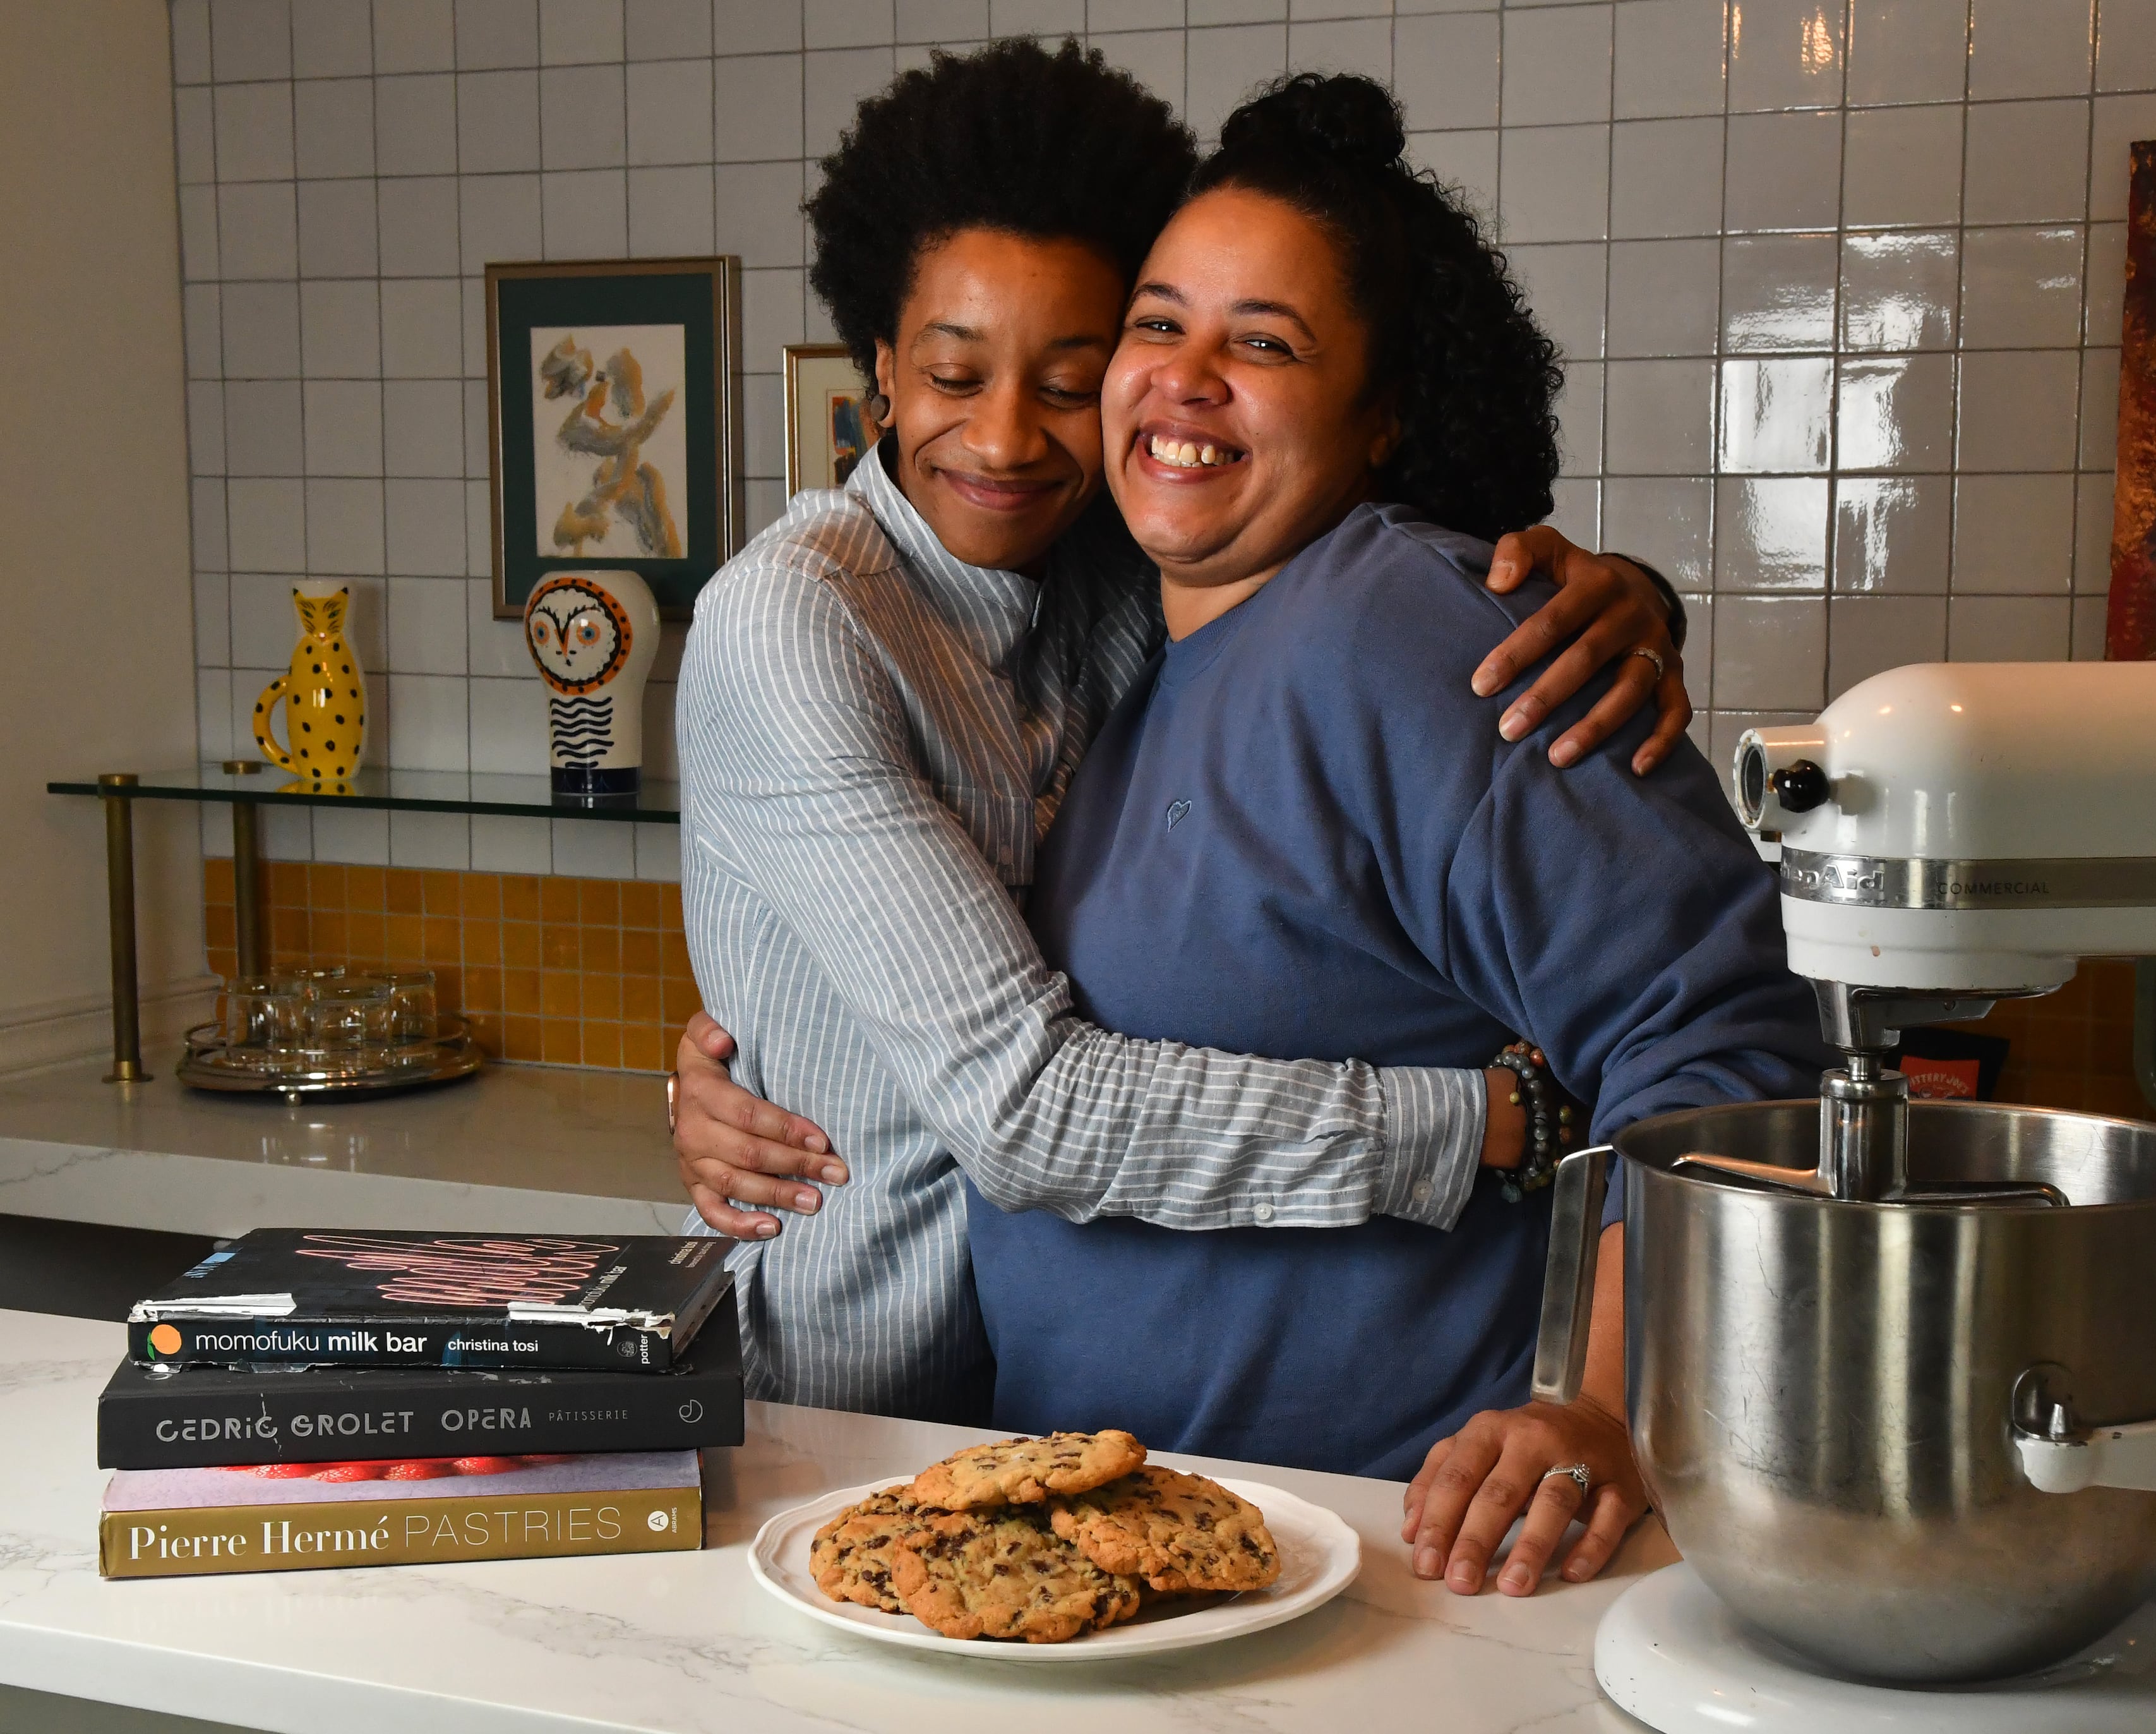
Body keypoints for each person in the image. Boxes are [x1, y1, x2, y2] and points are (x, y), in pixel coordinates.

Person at [672, 40, 1694, 1425]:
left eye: (1068, 373)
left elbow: (1366, 604)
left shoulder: (1121, 580)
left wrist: (1630, 598)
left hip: (1049, 1412)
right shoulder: (804, 617)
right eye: (955, 374)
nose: (1005, 437)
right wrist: (1491, 1122)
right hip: (857, 1408)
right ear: (880, 374)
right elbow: (1017, 1102)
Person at [954, 73, 1825, 1597]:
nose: (1187, 378)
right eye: (1160, 324)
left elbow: (1724, 1029)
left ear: (1384, 413)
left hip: (1376, 1558)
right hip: (1121, 1559)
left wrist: (1609, 1409)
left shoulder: (1409, 631)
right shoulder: (1113, 650)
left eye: (1266, 343)